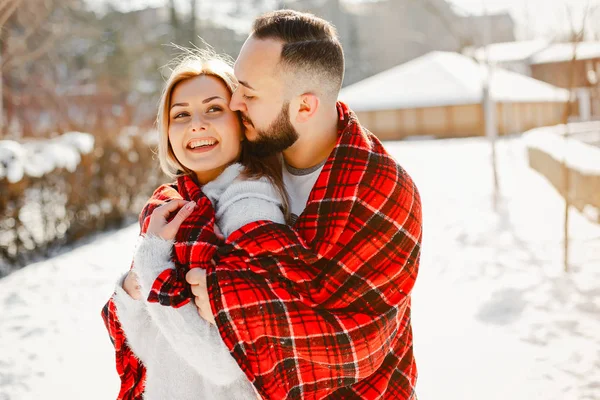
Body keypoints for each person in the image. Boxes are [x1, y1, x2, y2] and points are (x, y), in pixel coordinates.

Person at [183, 10, 423, 399]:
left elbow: (356, 344)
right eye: (235, 86)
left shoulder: (383, 190)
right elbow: (188, 190)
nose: (234, 102)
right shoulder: (250, 154)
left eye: (249, 92)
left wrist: (226, 303)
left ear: (305, 108)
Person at [102, 51, 289, 399]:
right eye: (181, 114)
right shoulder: (174, 208)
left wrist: (153, 263)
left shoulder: (251, 208)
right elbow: (154, 346)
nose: (196, 124)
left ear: (241, 122)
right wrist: (133, 286)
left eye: (213, 109)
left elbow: (223, 362)